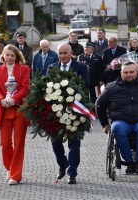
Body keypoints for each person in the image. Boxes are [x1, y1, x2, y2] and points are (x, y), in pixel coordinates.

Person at [96, 61, 138, 173]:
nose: (129, 74)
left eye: (131, 72)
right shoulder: (111, 87)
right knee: (117, 128)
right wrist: (104, 124)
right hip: (121, 120)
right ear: (121, 73)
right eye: (126, 72)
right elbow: (99, 105)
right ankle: (129, 162)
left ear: (137, 72)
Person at [47, 43, 89, 184]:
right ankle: (62, 164)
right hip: (56, 113)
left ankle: (72, 172)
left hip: (74, 112)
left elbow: (85, 86)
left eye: (65, 53)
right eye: (60, 53)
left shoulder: (81, 67)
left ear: (71, 53)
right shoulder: (51, 68)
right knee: (56, 142)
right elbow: (47, 88)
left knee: (74, 144)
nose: (63, 56)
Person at [0, 44, 30, 185]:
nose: (10, 57)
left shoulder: (24, 69)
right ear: (3, 56)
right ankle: (11, 168)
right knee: (5, 143)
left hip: (19, 110)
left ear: (17, 56)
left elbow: (26, 88)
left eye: (12, 55)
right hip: (4, 109)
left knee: (19, 143)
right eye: (7, 55)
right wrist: (1, 100)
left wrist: (14, 99)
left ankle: (15, 175)